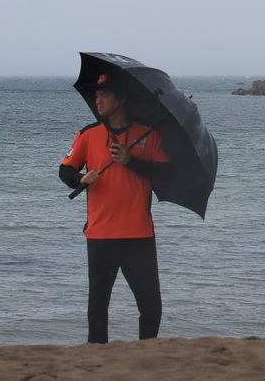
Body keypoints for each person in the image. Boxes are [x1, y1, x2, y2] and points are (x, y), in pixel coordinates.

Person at [59, 72, 172, 344]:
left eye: (104, 95)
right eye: (96, 95)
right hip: (100, 234)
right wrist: (80, 179)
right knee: (98, 306)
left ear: (120, 99)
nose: (98, 100)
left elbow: (167, 173)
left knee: (151, 304)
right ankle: (97, 355)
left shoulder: (148, 134)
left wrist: (132, 161)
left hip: (138, 234)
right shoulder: (88, 134)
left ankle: (147, 352)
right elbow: (65, 170)